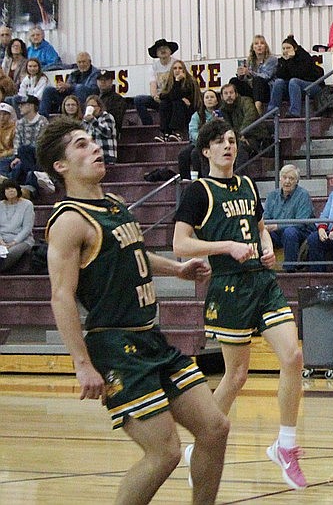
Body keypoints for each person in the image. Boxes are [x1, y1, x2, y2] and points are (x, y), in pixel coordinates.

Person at [38, 118, 228, 503]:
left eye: (92, 141)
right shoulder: (69, 221)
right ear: (60, 166)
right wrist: (81, 363)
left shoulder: (114, 204)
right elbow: (61, 296)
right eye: (80, 145)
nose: (93, 148)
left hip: (149, 337)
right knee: (165, 452)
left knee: (215, 427)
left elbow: (134, 255)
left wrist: (177, 268)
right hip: (115, 346)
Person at [171, 119, 306, 490]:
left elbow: (259, 226)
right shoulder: (198, 192)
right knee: (236, 375)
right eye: (219, 141)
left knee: (293, 356)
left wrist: (265, 245)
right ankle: (203, 440)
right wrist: (224, 248)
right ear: (206, 150)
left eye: (231, 140)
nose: (228, 146)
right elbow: (180, 245)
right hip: (229, 287)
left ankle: (286, 445)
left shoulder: (247, 185)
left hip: (261, 282)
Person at [263, 165, 315, 264]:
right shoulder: (272, 196)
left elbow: (301, 222)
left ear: (297, 181)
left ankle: (290, 269)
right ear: (280, 179)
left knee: (290, 232)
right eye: (284, 177)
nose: (287, 181)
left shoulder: (303, 195)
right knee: (261, 233)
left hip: (300, 232)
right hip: (278, 234)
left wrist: (277, 226)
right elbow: (266, 218)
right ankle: (260, 268)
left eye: (291, 178)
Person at [267, 36, 323, 118]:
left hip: (312, 86)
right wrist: (285, 62)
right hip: (294, 88)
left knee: (294, 81)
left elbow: (299, 74)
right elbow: (280, 75)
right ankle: (272, 111)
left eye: (288, 48)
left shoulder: (304, 57)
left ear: (295, 48)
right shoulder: (283, 60)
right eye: (284, 48)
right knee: (278, 82)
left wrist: (291, 60)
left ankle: (294, 111)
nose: (286, 50)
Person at [133, 38, 178, 128]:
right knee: (138, 100)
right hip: (160, 98)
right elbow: (152, 83)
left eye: (165, 48)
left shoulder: (176, 64)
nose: (162, 50)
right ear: (156, 53)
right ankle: (148, 126)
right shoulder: (154, 67)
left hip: (173, 98)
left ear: (170, 51)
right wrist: (154, 96)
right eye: (159, 49)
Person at [42, 50, 99, 115]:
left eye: (84, 62)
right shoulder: (74, 74)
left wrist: (70, 86)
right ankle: (42, 117)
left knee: (79, 88)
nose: (81, 64)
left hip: (87, 98)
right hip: (70, 97)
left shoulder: (95, 73)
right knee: (48, 90)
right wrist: (62, 87)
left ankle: (79, 116)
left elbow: (92, 89)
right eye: (79, 62)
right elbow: (68, 87)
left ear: (89, 62)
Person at [155, 59, 198, 143]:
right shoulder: (170, 82)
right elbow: (164, 96)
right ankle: (165, 133)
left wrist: (178, 81)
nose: (177, 70)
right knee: (165, 104)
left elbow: (175, 95)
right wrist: (176, 95)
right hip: (174, 110)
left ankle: (177, 132)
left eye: (180, 68)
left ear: (184, 70)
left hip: (188, 111)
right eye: (175, 68)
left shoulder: (190, 82)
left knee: (177, 103)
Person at [231, 34, 278, 109]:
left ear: (266, 47)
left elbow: (267, 76)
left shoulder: (272, 59)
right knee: (234, 81)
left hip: (266, 90)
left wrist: (250, 73)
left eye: (262, 43)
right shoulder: (249, 61)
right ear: (253, 47)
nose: (259, 46)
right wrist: (241, 76)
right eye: (256, 44)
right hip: (253, 89)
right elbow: (248, 79)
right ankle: (235, 107)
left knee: (258, 80)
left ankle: (258, 110)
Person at [0, 177, 33, 273]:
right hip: (2, 240)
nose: (11, 191)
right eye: (7, 189)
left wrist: (13, 243)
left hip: (22, 240)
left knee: (11, 253)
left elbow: (27, 229)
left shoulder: (27, 205)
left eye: (13, 188)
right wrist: (1, 242)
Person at [80, 95, 117, 165]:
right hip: (91, 156)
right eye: (89, 106)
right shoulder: (85, 121)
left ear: (99, 107)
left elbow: (107, 132)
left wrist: (92, 120)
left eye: (93, 106)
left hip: (106, 155)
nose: (91, 108)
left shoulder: (106, 116)